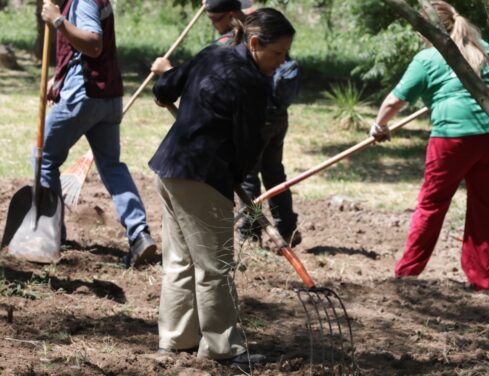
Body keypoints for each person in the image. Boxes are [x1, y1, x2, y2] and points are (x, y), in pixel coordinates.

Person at [149, 8, 295, 364]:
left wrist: (165, 87)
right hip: (202, 177)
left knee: (181, 261)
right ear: (255, 43)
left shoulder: (212, 54)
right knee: (215, 267)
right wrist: (236, 179)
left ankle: (175, 339)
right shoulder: (254, 83)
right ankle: (222, 348)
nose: (281, 62)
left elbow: (164, 87)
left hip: (169, 170)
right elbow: (247, 147)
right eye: (277, 53)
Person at [370, 0, 489, 291]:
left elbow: (394, 101)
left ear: (425, 29)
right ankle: (483, 279)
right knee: (485, 207)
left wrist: (379, 125)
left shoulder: (427, 58)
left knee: (432, 204)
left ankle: (408, 273)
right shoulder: (483, 47)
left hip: (454, 138)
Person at [152, 0, 302, 247]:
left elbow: (175, 86)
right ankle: (279, 228)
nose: (281, 60)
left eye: (215, 19)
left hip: (210, 154)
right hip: (268, 122)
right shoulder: (263, 29)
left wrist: (166, 74)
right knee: (269, 172)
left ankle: (253, 231)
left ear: (231, 15)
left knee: (252, 175)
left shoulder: (226, 50)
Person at [40, 0, 155, 266]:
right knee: (112, 167)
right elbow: (79, 52)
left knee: (44, 158)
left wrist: (58, 21)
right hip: (108, 96)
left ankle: (49, 233)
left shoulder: (83, 1)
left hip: (84, 96)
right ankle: (139, 234)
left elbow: (93, 44)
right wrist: (59, 78)